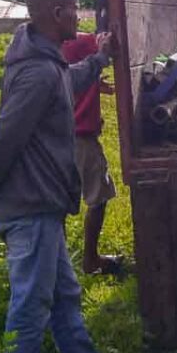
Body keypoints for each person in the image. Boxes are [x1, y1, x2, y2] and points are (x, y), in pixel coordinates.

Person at [0, 0, 136, 353]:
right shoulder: (37, 72)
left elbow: (68, 81)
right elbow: (5, 138)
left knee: (63, 296)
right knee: (31, 305)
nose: (78, 20)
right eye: (73, 10)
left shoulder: (47, 63)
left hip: (41, 204)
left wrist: (100, 59)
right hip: (30, 206)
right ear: (56, 13)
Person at [61, 32, 120, 275]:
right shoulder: (85, 41)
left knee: (59, 202)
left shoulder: (55, 44)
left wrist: (96, 84)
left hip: (61, 135)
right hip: (81, 135)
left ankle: (59, 262)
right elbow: (109, 46)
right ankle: (90, 260)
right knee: (99, 195)